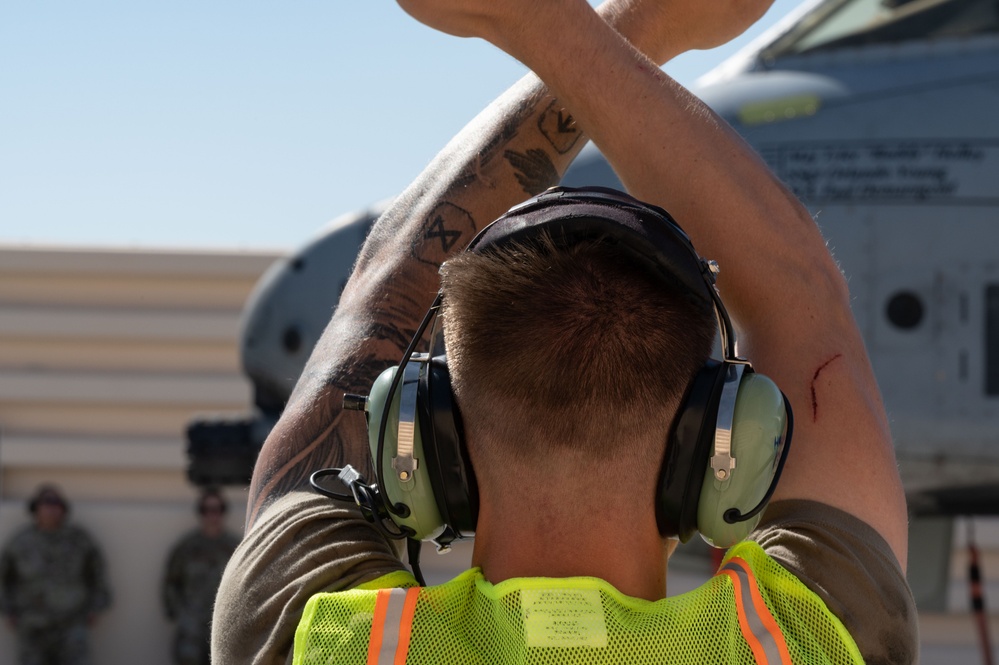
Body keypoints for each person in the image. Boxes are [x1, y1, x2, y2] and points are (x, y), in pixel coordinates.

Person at [213, 0, 919, 663]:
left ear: (427, 445)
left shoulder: (328, 636)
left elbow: (383, 295)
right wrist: (573, 32)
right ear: (713, 454)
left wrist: (569, 25)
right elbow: (800, 293)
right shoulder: (795, 640)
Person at [0, 484, 111, 665]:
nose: (51, 509)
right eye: (46, 503)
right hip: (32, 625)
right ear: (36, 508)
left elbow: (98, 574)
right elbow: (4, 578)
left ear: (63, 509)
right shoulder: (20, 542)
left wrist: (95, 607)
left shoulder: (79, 540)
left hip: (72, 624)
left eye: (56, 503)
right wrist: (7, 610)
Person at [162, 488, 239, 665]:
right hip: (191, 631)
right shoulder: (187, 548)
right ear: (200, 512)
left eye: (217, 509)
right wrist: (180, 615)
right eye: (207, 510)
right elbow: (171, 583)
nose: (212, 515)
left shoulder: (235, 548)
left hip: (224, 628)